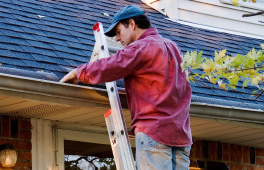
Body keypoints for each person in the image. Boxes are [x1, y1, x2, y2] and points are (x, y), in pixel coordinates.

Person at [60, 5, 192, 170]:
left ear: (132, 24)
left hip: (154, 132)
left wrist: (77, 72)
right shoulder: (173, 47)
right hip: (181, 136)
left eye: (118, 31)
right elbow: (185, 88)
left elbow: (111, 65)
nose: (116, 38)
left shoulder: (141, 47)